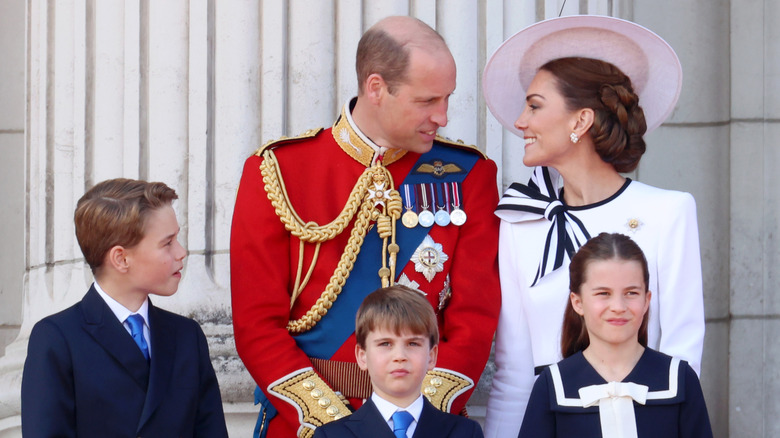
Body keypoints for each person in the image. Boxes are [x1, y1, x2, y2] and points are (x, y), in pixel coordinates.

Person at [231, 15, 500, 438]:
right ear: (376, 88)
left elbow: (474, 319)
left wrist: (411, 419)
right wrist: (335, 426)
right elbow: (256, 324)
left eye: (447, 98)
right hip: (308, 424)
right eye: (428, 101)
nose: (444, 116)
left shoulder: (468, 175)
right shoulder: (279, 170)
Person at [481, 15, 705, 437]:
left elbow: (683, 358)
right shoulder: (519, 221)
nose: (520, 122)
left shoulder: (669, 212)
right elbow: (513, 371)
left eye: (534, 106)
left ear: (580, 121)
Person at [21, 178, 228, 438]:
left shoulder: (187, 336)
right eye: (167, 243)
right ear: (121, 258)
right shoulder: (57, 339)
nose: (181, 252)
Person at [518, 233, 712, 437]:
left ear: (647, 300)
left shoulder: (679, 379)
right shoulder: (553, 385)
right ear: (578, 302)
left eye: (631, 293)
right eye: (603, 293)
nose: (618, 307)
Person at [313, 285, 484, 438]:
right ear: (362, 356)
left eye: (413, 343)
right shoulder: (331, 435)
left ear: (431, 356)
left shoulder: (465, 432)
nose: (400, 356)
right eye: (385, 344)